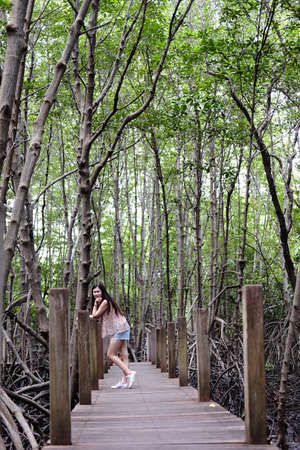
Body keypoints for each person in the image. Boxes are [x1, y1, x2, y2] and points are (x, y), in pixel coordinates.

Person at [89, 282, 136, 389]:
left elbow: (95, 315)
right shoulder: (106, 301)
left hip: (119, 329)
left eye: (98, 291)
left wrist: (95, 304)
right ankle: (124, 382)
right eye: (94, 292)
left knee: (110, 354)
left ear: (103, 292)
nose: (96, 294)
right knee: (124, 355)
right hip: (123, 327)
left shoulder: (105, 301)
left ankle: (129, 373)